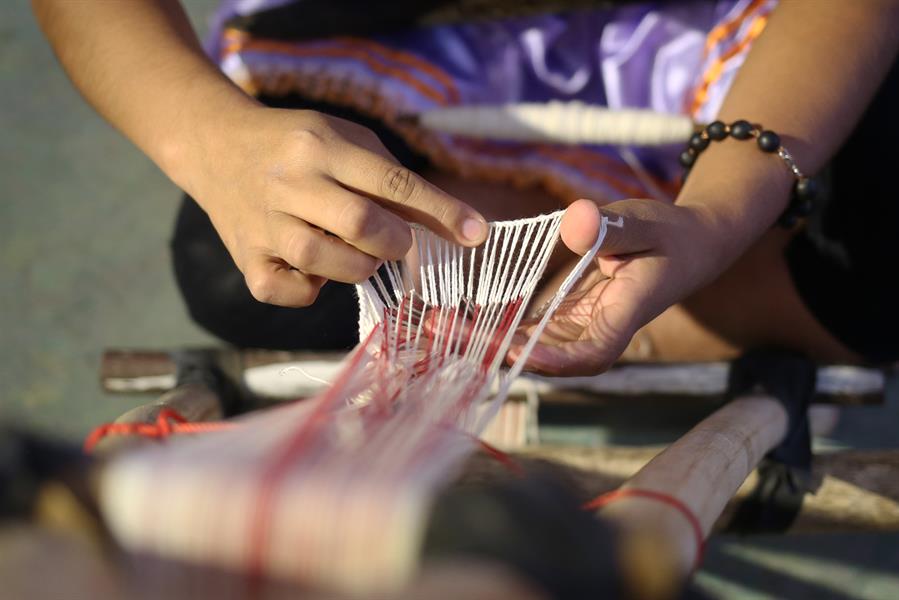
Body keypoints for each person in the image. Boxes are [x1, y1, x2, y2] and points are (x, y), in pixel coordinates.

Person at [32, 0, 899, 377]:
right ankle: (576, 292)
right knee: (245, 264)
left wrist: (716, 216)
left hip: (742, 57)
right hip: (410, 64)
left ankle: (646, 311)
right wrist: (208, 138)